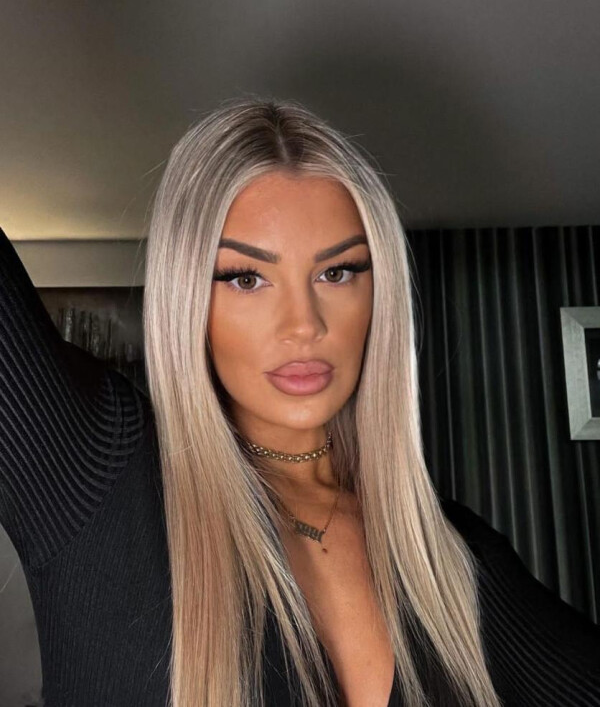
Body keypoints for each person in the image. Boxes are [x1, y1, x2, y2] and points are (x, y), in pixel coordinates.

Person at [0, 96, 599, 707]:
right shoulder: (100, 471)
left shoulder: (452, 560)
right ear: (188, 300)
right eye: (246, 278)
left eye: (336, 273)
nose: (304, 324)